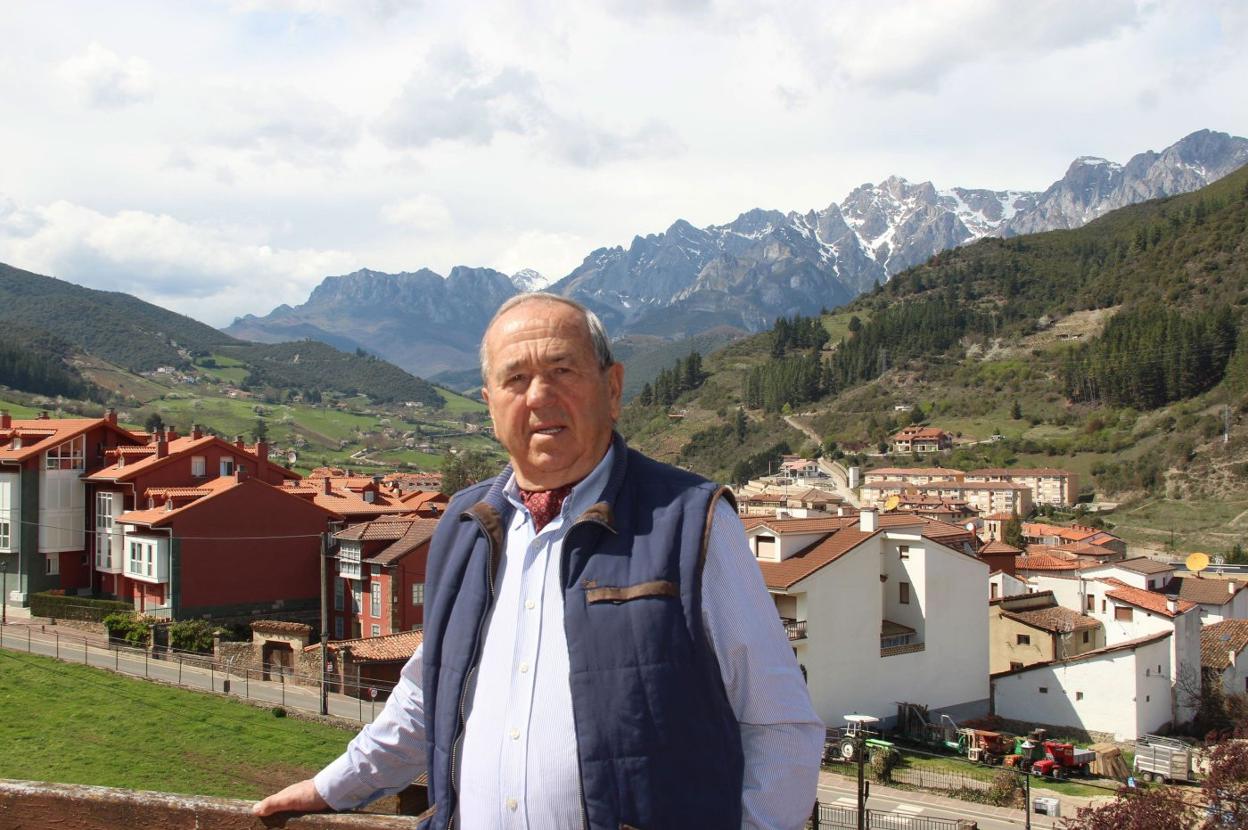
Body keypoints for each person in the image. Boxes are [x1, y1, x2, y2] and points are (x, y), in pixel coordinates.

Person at [253, 294, 823, 829]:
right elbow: (429, 697)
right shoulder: (462, 525)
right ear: (490, 403)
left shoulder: (691, 521)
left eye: (562, 371)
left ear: (613, 387)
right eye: (516, 379)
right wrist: (332, 788)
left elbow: (781, 726)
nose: (539, 396)